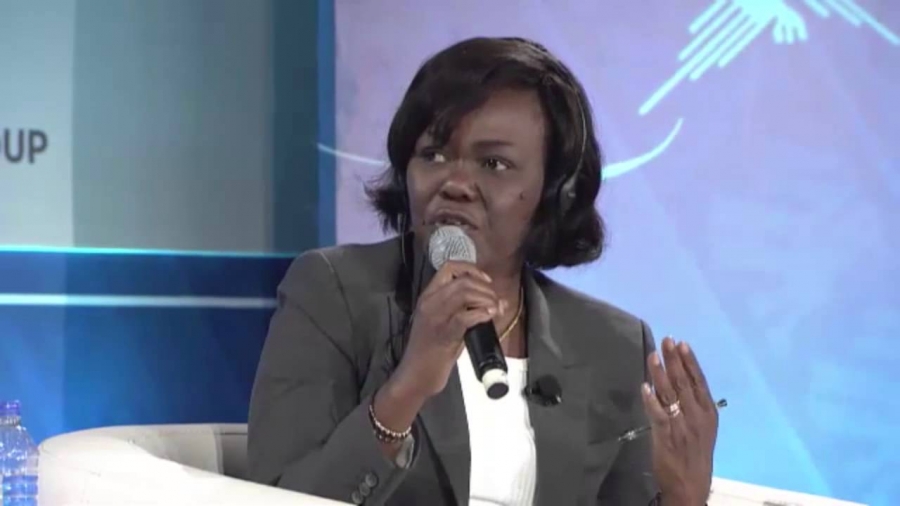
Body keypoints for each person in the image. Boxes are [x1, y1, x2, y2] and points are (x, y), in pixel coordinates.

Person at [247, 36, 719, 506]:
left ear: (556, 191)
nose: (455, 183)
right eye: (433, 155)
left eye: (494, 164)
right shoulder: (334, 294)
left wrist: (684, 495)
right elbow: (280, 498)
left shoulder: (613, 345)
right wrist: (409, 385)